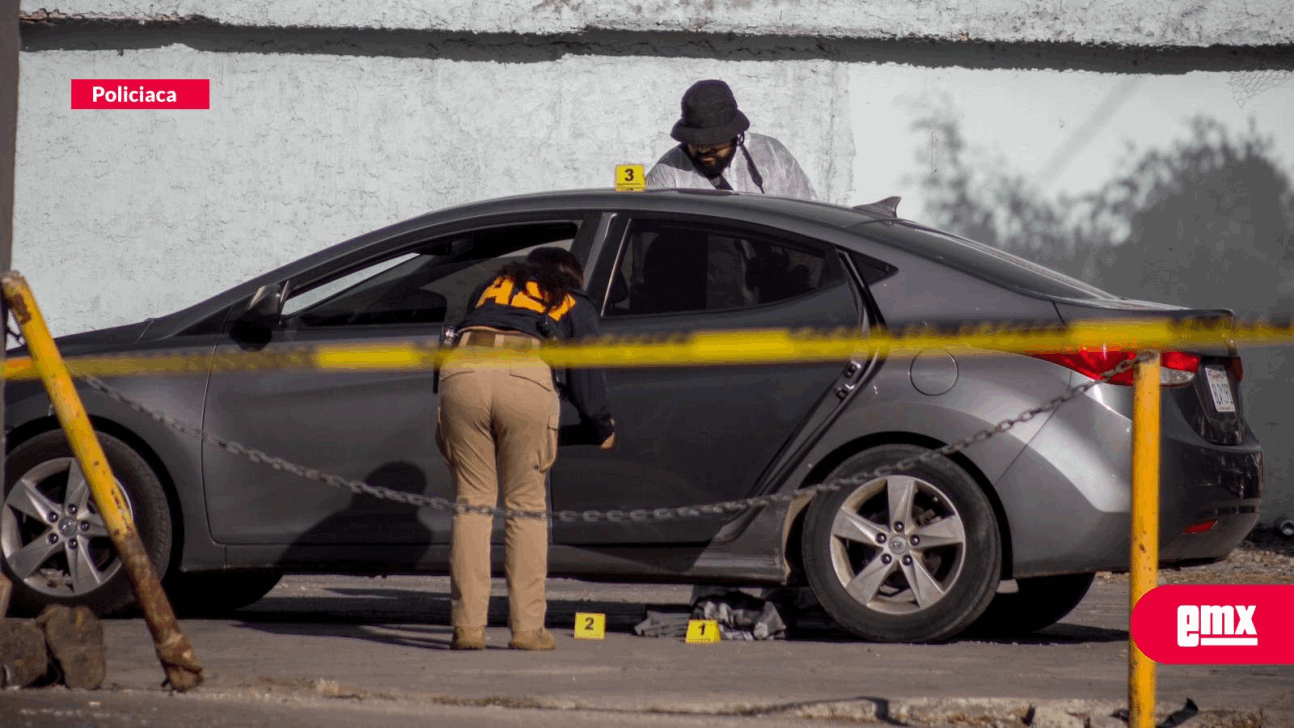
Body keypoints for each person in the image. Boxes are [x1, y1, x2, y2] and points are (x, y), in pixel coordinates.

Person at [436, 247, 616, 651]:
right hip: (525, 375)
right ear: (570, 275)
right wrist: (601, 425)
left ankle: (467, 628)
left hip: (462, 372)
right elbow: (587, 371)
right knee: (525, 506)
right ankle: (528, 629)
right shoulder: (571, 298)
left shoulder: (490, 287)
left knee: (472, 503)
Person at [645, 79, 817, 200]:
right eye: (696, 142)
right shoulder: (667, 172)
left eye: (713, 143)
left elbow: (808, 213)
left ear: (734, 135)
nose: (703, 150)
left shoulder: (774, 155)